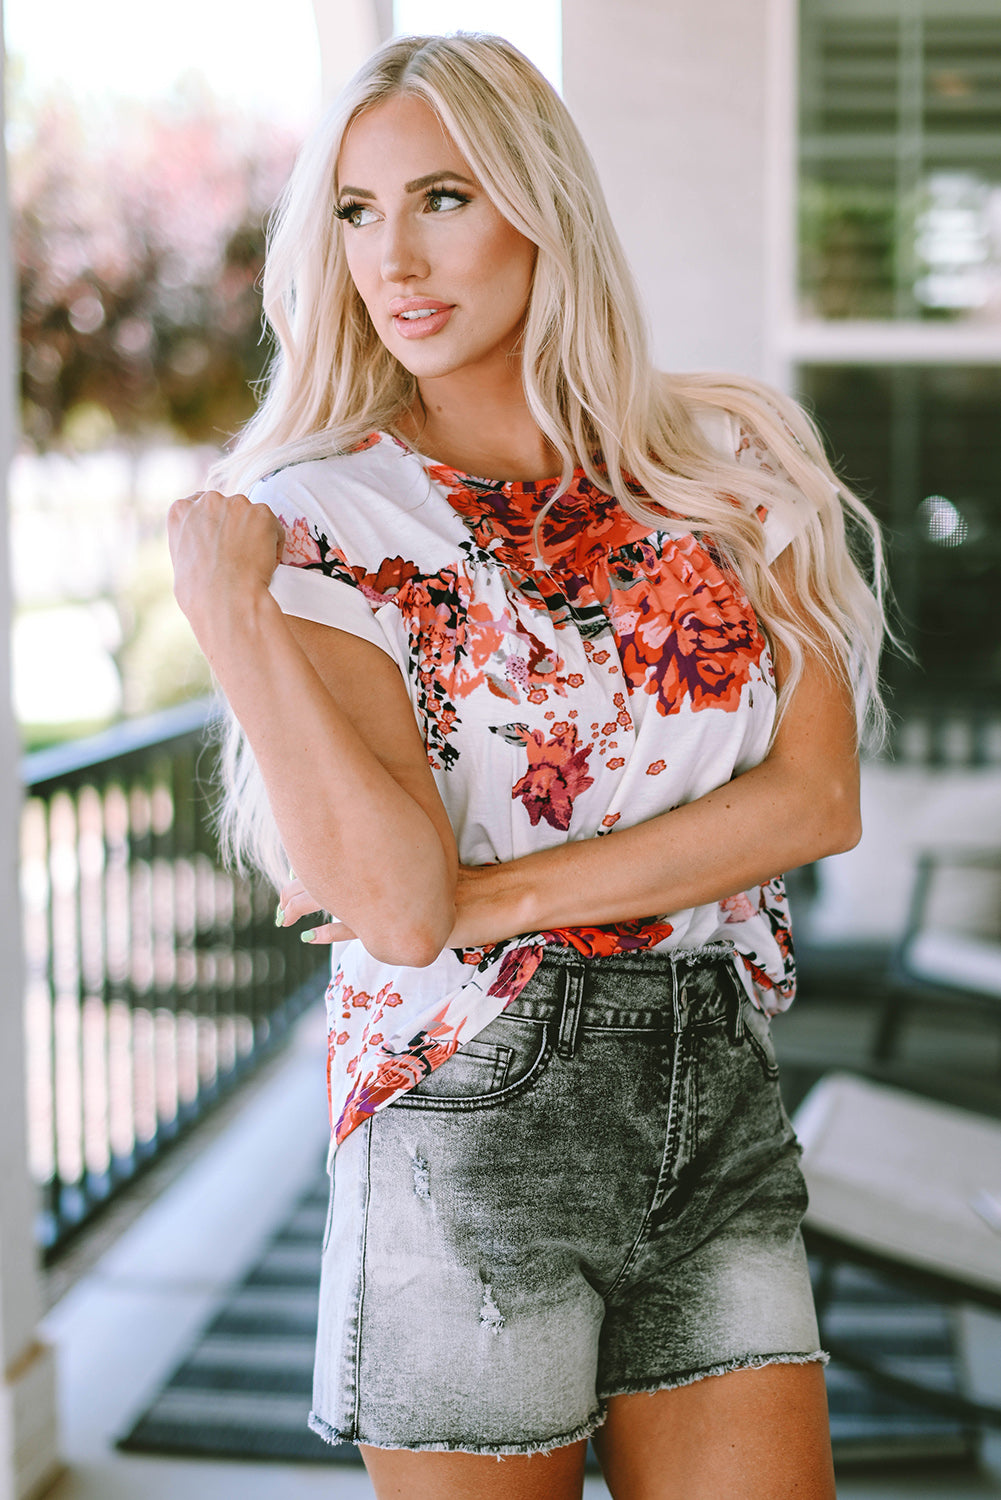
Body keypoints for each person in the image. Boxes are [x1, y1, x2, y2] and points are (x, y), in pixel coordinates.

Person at [168, 31, 886, 1500]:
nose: (395, 257)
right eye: (356, 214)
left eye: (443, 195)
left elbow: (813, 802)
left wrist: (494, 897)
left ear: (540, 203)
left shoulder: (734, 470)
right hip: (464, 1117)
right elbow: (395, 908)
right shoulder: (323, 516)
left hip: (714, 1086)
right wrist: (226, 612)